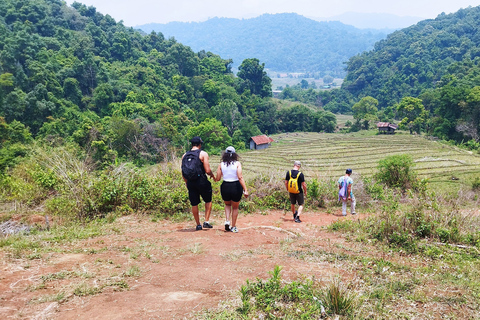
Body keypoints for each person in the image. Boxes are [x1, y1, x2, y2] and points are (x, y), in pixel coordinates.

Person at [181, 136, 216, 231]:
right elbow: (207, 170)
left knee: (194, 203)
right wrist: (212, 175)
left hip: (191, 182)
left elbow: (183, 171)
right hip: (201, 181)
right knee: (208, 200)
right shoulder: (203, 154)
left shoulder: (184, 155)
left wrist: (186, 182)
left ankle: (198, 224)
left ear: (191, 144)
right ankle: (206, 222)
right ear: (200, 144)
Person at [215, 146, 249, 233]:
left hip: (225, 185)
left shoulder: (221, 165)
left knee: (227, 205)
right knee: (235, 207)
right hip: (235, 186)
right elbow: (240, 177)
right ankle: (233, 227)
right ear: (235, 154)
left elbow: (218, 178)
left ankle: (227, 220)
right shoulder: (237, 164)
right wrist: (245, 189)